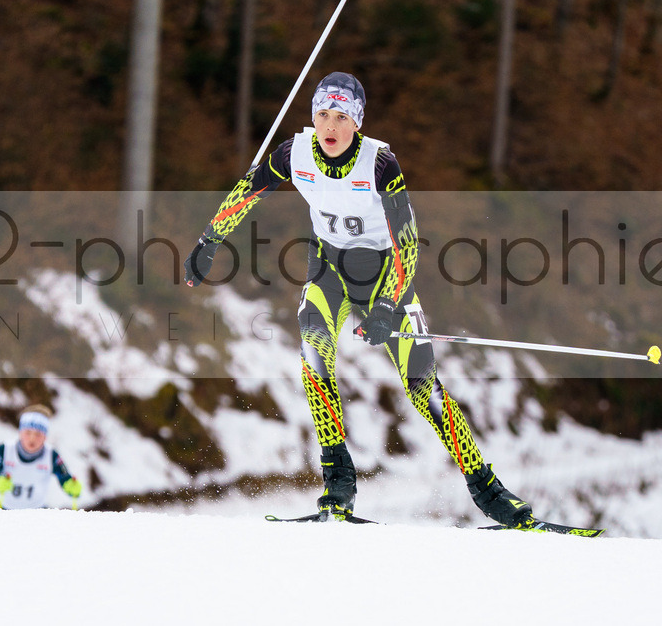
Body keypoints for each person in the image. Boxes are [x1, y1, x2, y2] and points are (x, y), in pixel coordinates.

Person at [183, 72, 537, 528]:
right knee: (315, 361)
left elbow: (408, 246)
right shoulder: (294, 154)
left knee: (422, 389)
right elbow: (246, 193)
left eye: (341, 117)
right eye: (323, 114)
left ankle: (490, 493)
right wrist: (209, 241)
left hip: (387, 280)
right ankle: (338, 486)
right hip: (329, 273)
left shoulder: (380, 164)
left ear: (358, 124)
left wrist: (389, 307)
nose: (330, 126)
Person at [0, 405, 82, 509]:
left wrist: (72, 487)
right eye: (28, 432)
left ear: (45, 436)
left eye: (38, 434)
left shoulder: (51, 455)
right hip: (4, 510)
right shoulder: (4, 450)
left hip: (36, 513)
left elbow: (65, 479)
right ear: (20, 433)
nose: (32, 438)